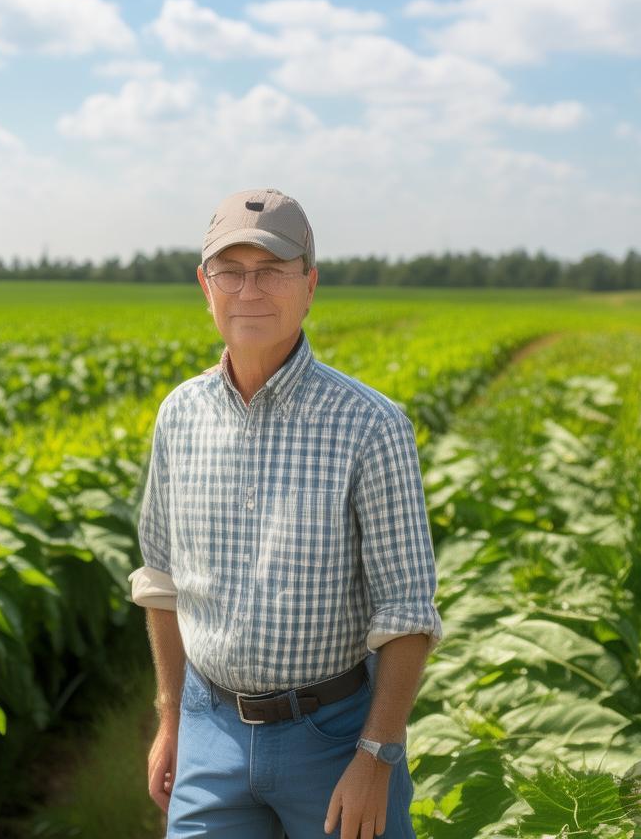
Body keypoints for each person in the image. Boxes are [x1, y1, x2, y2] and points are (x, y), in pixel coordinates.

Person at [127, 187, 443, 839]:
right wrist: (171, 718)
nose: (250, 291)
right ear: (205, 287)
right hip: (209, 728)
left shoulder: (370, 425)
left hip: (334, 738)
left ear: (309, 285)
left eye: (272, 270)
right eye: (231, 272)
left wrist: (376, 757)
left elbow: (407, 613)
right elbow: (162, 583)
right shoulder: (179, 415)